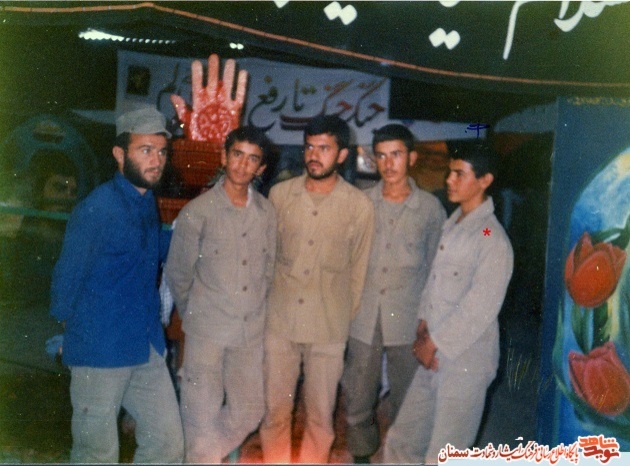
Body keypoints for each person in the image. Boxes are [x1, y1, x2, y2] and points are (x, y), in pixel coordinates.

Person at [49, 107, 184, 463]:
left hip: (144, 344)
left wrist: (193, 236)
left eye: (161, 151)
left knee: (168, 443)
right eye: (145, 150)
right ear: (119, 154)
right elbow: (67, 277)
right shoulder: (97, 208)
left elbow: (148, 248)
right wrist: (69, 334)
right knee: (97, 454)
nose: (156, 160)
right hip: (101, 350)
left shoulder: (146, 201)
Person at [384, 142, 514, 464]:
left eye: (459, 174)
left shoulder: (490, 237)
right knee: (402, 441)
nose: (449, 180)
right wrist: (422, 325)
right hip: (433, 352)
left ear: (485, 180)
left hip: (465, 361)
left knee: (445, 455)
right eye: (449, 173)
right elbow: (435, 282)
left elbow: (479, 308)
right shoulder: (453, 224)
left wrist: (434, 343)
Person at [259, 114, 374, 463]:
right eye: (309, 147)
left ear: (342, 155)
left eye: (324, 148)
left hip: (328, 329)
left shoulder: (359, 206)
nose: (314, 155)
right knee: (275, 413)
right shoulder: (280, 195)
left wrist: (341, 322)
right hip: (280, 325)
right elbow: (267, 259)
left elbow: (359, 273)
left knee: (321, 419)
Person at [164, 126, 277, 463]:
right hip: (206, 334)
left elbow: (268, 271)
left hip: (249, 335)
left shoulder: (267, 213)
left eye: (252, 159)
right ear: (224, 157)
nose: (243, 165)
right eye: (237, 155)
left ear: (261, 168)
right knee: (199, 418)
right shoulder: (197, 211)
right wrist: (198, 313)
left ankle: (199, 457)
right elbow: (179, 274)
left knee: (250, 410)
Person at [341, 124, 446, 463]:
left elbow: (436, 268)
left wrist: (429, 322)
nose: (388, 164)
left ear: (411, 158)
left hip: (408, 317)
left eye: (396, 155)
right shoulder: (360, 202)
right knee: (358, 394)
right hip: (364, 314)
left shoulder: (430, 209)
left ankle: (404, 457)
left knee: (408, 398)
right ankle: (361, 454)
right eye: (382, 156)